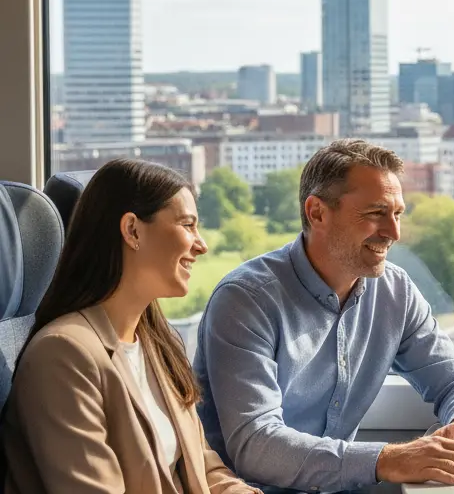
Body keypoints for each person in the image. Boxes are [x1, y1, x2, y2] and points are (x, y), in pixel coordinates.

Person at [193, 139, 454, 494]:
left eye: (397, 213)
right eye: (375, 213)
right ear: (317, 212)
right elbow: (256, 445)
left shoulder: (395, 292)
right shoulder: (246, 301)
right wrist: (388, 460)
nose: (393, 233)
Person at [2, 159, 260, 494]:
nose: (201, 244)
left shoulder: (158, 343)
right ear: (133, 230)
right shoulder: (63, 355)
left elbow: (204, 466)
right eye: (187, 225)